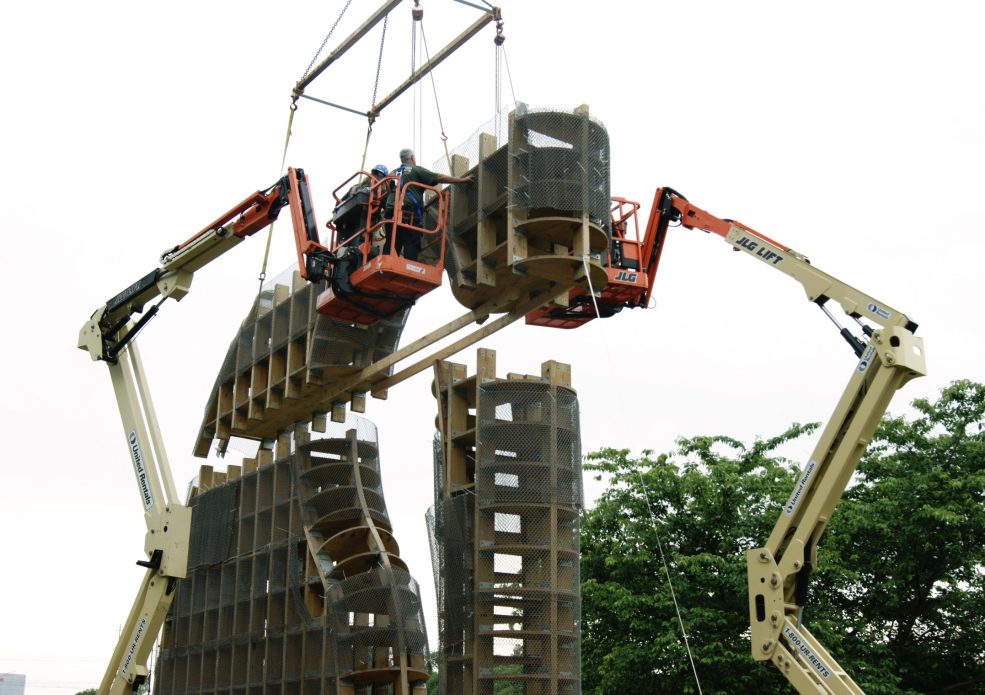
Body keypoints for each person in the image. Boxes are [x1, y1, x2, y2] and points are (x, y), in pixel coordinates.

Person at [384, 148, 473, 261]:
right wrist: (461, 179)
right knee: (411, 243)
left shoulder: (392, 173)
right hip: (408, 213)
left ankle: (385, 265)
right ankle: (409, 268)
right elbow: (439, 177)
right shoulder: (415, 170)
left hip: (391, 213)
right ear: (412, 158)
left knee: (392, 242)